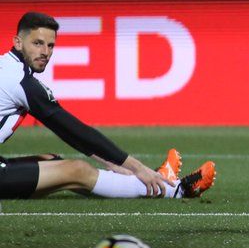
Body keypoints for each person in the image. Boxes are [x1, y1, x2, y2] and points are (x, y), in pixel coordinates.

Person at [0, 11, 215, 201]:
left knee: (51, 161)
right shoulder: (21, 82)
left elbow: (73, 134)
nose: (45, 52)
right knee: (77, 170)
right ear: (18, 42)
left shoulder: (8, 67)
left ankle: (143, 180)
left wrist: (115, 164)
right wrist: (135, 167)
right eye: (37, 43)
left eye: (50, 45)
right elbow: (73, 131)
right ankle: (175, 189)